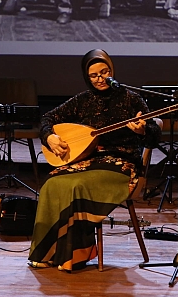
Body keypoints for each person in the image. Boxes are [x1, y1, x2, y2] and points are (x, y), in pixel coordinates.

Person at [27, 49, 162, 272]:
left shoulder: (131, 99)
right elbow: (47, 118)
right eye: (94, 75)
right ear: (86, 77)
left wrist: (142, 131)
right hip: (88, 161)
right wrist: (49, 136)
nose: (100, 79)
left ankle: (74, 256)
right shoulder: (83, 100)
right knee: (52, 183)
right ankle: (47, 253)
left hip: (121, 165)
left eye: (104, 72)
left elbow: (155, 135)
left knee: (75, 185)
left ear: (112, 71)